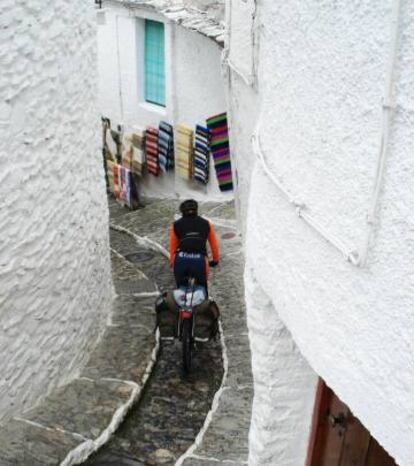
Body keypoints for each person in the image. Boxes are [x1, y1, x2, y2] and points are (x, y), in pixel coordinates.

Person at [169, 199, 219, 292]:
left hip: (180, 259)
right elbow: (214, 244)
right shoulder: (206, 223)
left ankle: (183, 304)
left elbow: (173, 246)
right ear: (196, 209)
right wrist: (215, 260)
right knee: (202, 290)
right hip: (200, 260)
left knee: (181, 291)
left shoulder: (175, 225)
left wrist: (172, 262)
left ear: (182, 211)